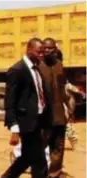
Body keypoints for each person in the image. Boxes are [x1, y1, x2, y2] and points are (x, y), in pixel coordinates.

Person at [1, 38, 51, 178]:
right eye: (39, 52)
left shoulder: (37, 68)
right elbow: (10, 101)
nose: (42, 55)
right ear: (29, 50)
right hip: (26, 122)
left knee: (38, 156)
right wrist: (14, 128)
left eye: (43, 53)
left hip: (38, 120)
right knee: (30, 156)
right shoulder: (17, 70)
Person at [39, 38, 71, 178]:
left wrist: (69, 107)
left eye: (50, 48)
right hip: (44, 115)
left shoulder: (59, 65)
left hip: (59, 115)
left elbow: (63, 88)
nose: (47, 51)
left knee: (58, 146)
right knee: (40, 146)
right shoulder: (38, 66)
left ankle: (55, 173)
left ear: (55, 50)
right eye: (44, 49)